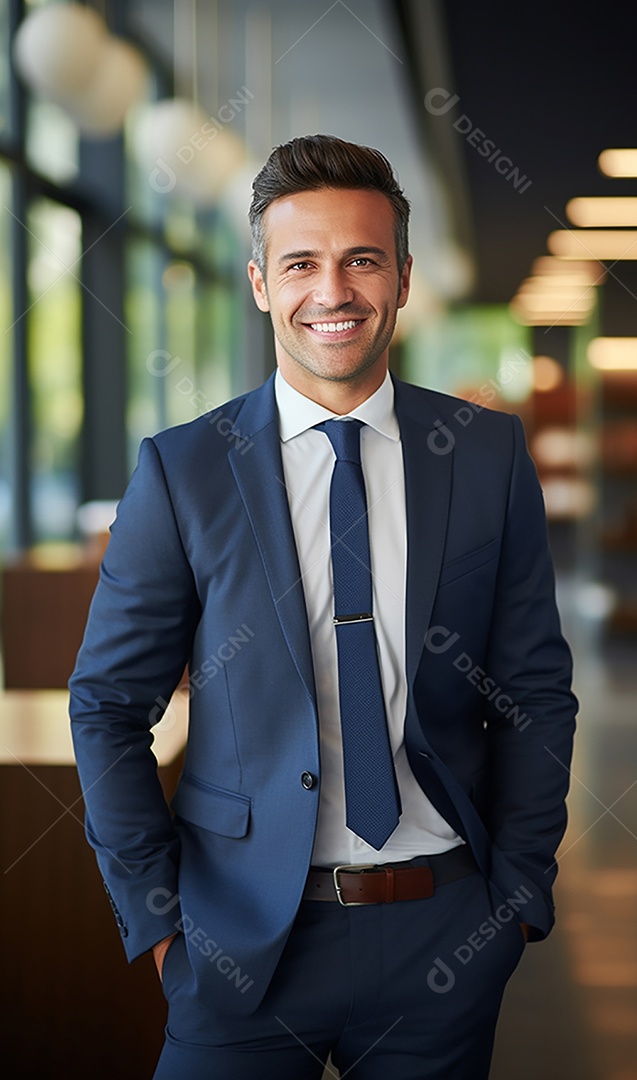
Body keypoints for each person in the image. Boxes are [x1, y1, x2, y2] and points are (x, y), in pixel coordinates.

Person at [69, 134, 577, 1080]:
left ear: (403, 278)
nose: (333, 291)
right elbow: (106, 704)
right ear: (260, 283)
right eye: (301, 263)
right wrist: (160, 926)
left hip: (442, 934)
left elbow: (536, 692)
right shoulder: (184, 470)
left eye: (362, 260)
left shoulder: (486, 456)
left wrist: (515, 902)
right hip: (238, 945)